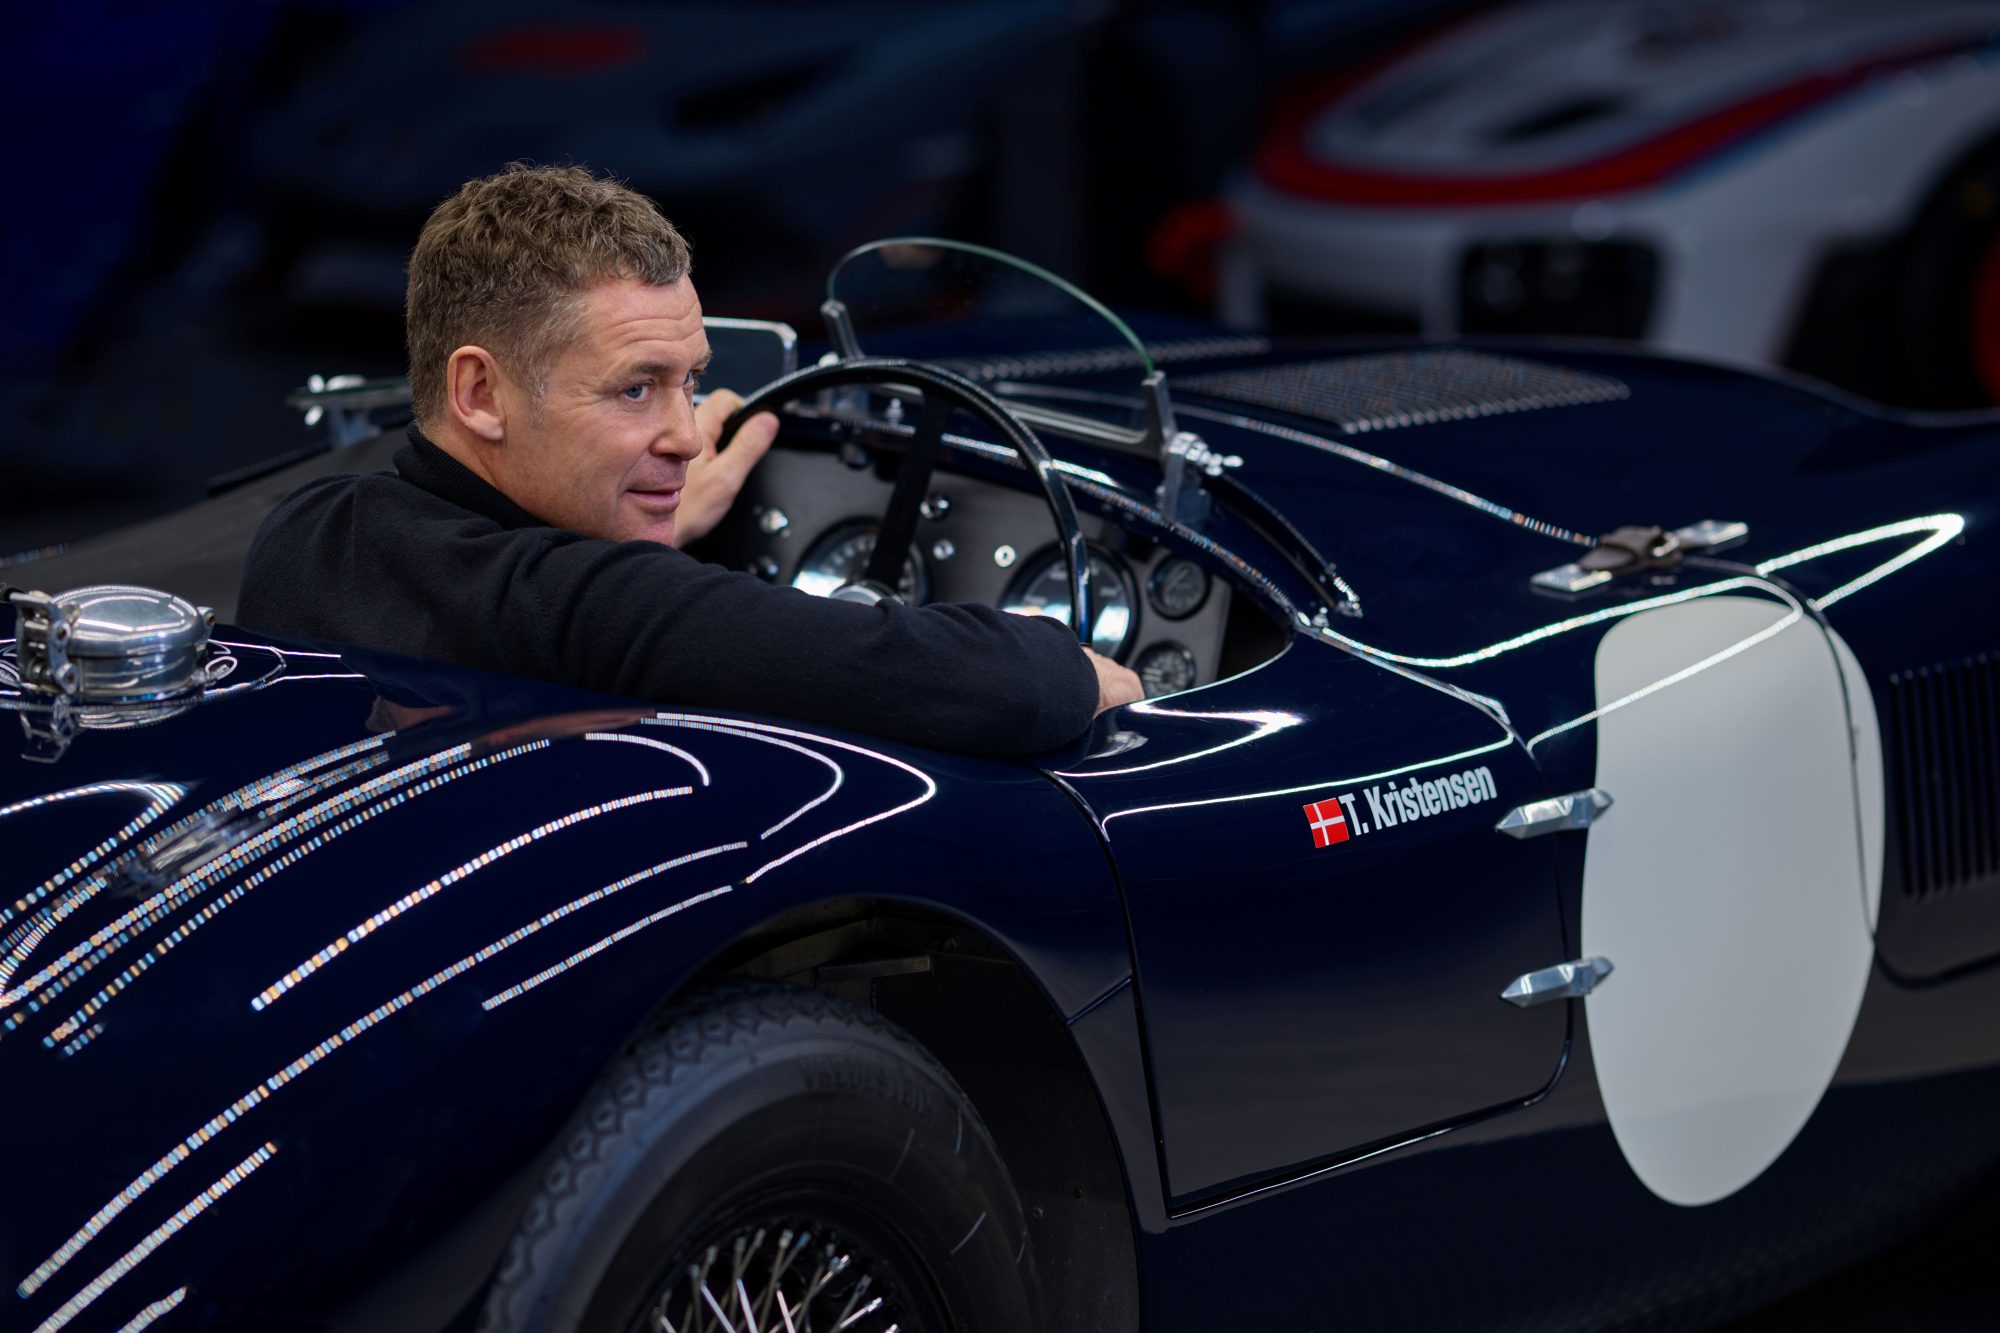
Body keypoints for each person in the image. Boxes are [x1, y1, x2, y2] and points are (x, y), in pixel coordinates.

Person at [239, 163, 1143, 754]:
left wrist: (649, 524)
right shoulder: (594, 608)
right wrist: (1070, 669)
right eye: (636, 388)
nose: (687, 435)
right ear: (480, 393)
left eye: (693, 382)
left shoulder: (305, 533)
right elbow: (934, 673)